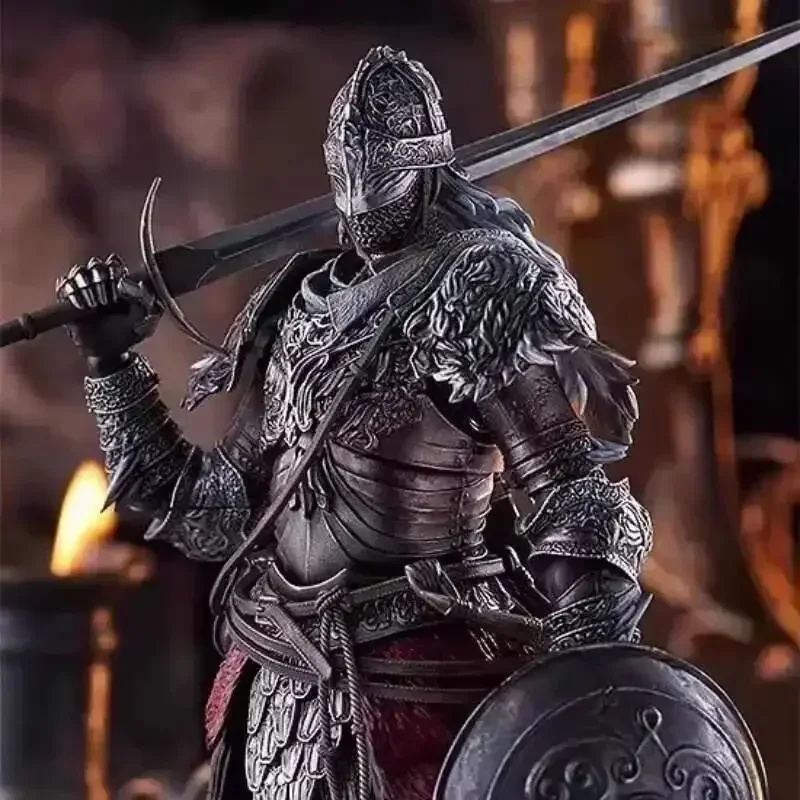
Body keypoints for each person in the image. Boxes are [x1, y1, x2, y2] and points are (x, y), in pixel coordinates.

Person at [56, 46, 653, 800]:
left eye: (381, 176)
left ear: (425, 169)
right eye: (349, 174)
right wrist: (111, 363)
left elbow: (574, 490)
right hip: (274, 670)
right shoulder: (300, 301)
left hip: (427, 673)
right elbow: (217, 512)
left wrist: (582, 664)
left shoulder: (480, 283)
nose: (362, 201)